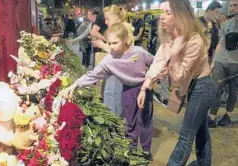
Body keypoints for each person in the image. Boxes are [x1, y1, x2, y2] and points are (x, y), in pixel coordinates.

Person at [138, 1, 217, 165]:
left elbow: (180, 76)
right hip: (192, 86)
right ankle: (205, 162)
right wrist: (145, 87)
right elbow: (158, 61)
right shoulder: (169, 36)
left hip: (203, 87)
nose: (161, 17)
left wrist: (174, 55)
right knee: (200, 130)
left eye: (168, 12)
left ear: (180, 15)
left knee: (186, 135)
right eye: (162, 12)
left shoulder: (194, 40)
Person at [63, 23, 154, 161]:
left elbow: (155, 64)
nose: (111, 47)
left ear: (126, 40)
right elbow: (92, 75)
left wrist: (150, 81)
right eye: (109, 43)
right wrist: (75, 85)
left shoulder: (138, 52)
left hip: (144, 89)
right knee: (130, 122)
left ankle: (146, 151)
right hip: (128, 90)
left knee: (145, 120)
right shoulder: (109, 60)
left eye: (115, 43)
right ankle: (132, 151)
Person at [93, 5, 135, 117]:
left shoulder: (124, 31)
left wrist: (103, 45)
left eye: (108, 19)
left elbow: (122, 55)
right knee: (111, 99)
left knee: (115, 103)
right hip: (114, 72)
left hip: (119, 74)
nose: (105, 22)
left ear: (116, 18)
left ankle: (116, 128)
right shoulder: (117, 30)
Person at [208, 0, 238, 128]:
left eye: (235, 5)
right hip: (221, 61)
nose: (232, 8)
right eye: (230, 5)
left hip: (236, 63)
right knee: (216, 88)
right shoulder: (227, 24)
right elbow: (221, 43)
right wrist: (213, 62)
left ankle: (228, 115)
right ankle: (212, 116)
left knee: (233, 91)